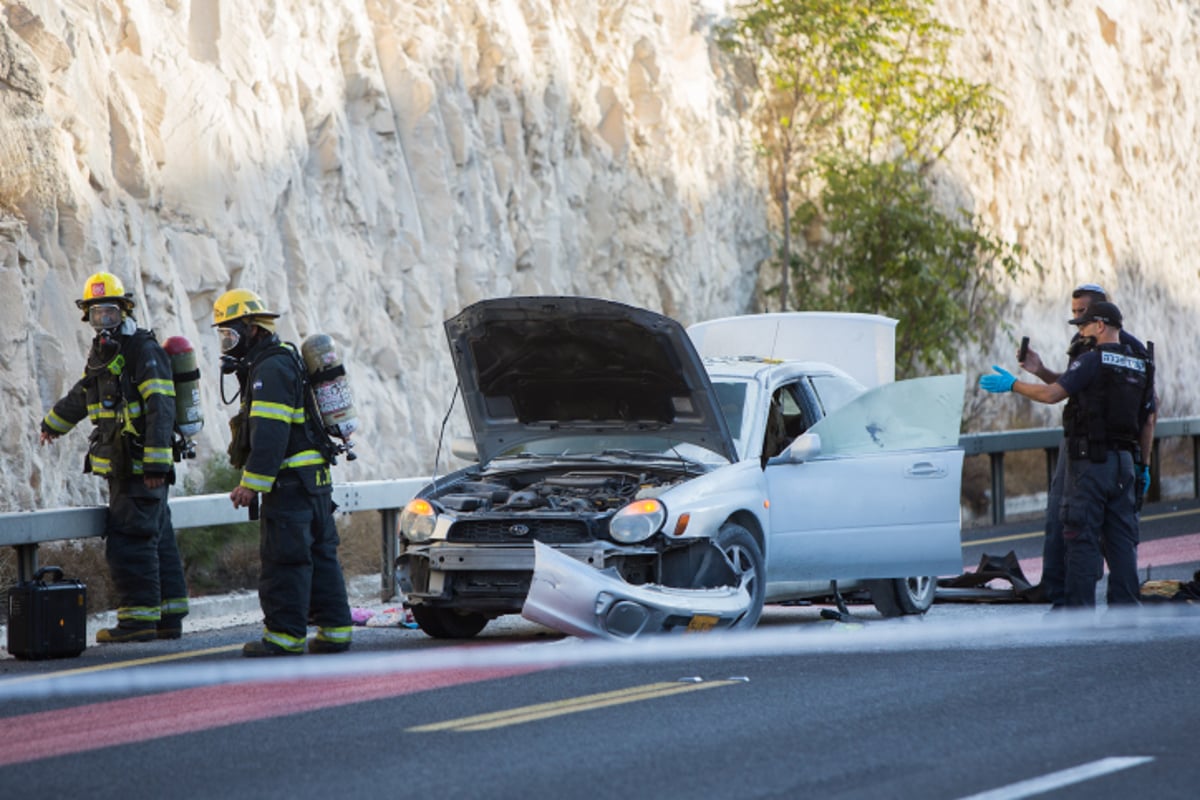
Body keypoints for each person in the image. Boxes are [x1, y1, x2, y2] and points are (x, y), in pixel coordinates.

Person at [40, 271, 189, 642]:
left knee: (130, 540)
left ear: (124, 311)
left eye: (110, 313)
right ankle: (168, 618)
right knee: (157, 536)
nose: (103, 321)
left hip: (139, 467)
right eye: (96, 315)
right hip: (127, 466)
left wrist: (156, 462)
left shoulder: (143, 349)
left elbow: (161, 406)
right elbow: (85, 391)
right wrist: (53, 424)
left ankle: (137, 622)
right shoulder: (105, 352)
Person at [981, 301, 1153, 608]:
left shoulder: (1091, 359)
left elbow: (1053, 394)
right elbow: (1149, 417)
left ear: (1101, 325)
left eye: (1085, 325)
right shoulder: (1140, 363)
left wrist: (1013, 385)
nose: (1082, 331)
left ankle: (1078, 612)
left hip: (1091, 465)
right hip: (1125, 464)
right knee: (1122, 539)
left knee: (1082, 534)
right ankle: (1127, 611)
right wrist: (1144, 465)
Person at [212, 288, 352, 657]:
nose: (227, 343)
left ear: (253, 329)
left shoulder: (270, 369)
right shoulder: (281, 358)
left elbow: (270, 434)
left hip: (290, 484)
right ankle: (336, 631)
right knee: (321, 557)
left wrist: (250, 484)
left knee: (285, 560)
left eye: (232, 334)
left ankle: (283, 637)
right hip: (315, 482)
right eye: (223, 336)